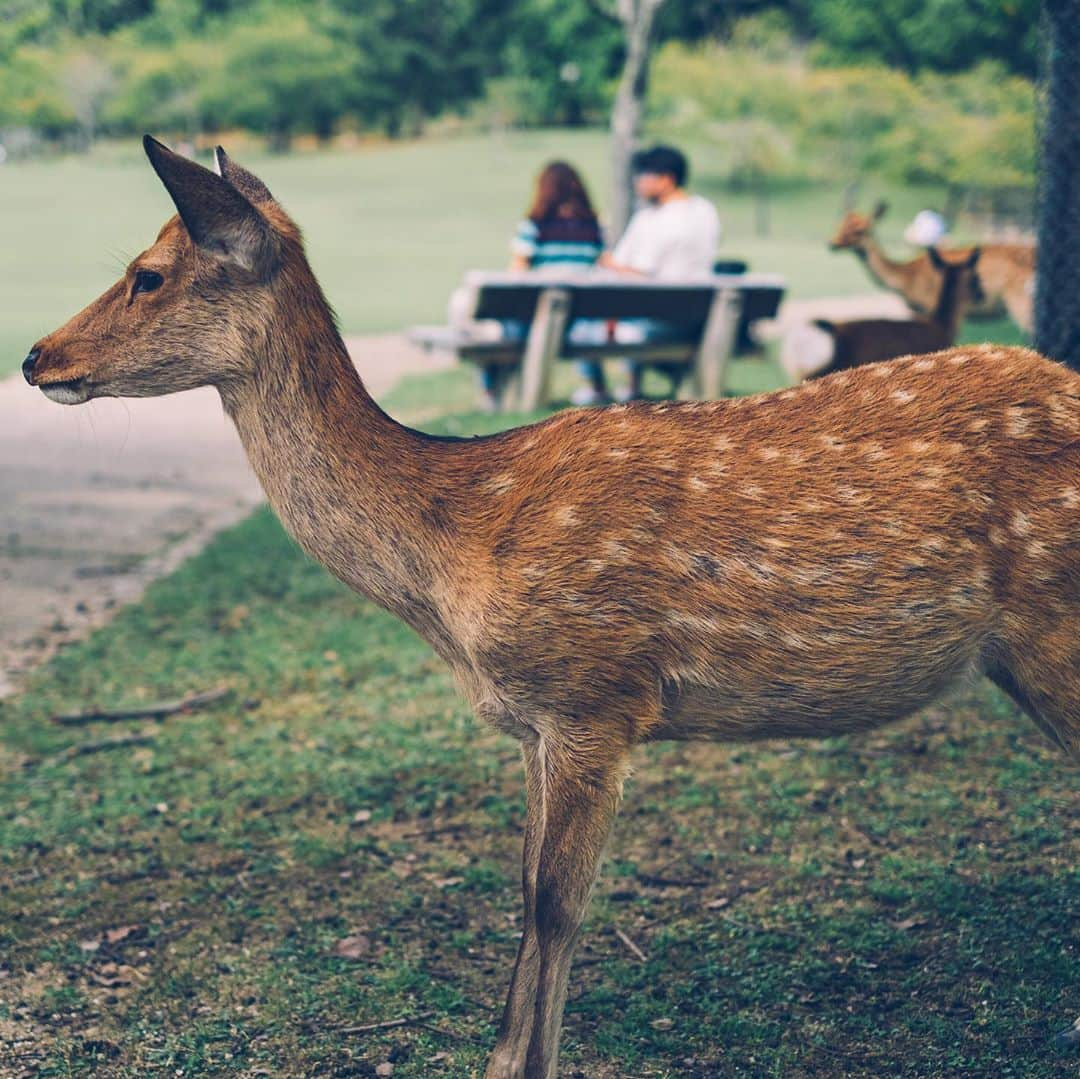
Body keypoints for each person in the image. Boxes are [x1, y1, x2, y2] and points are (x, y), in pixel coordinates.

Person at [473, 161, 605, 410]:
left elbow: (517, 270)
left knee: (496, 329)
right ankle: (597, 388)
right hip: (579, 321)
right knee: (582, 323)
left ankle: (490, 390)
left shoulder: (534, 227)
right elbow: (605, 263)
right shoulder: (594, 229)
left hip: (537, 317)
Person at [599, 144, 721, 400]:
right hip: (700, 316)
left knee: (586, 327)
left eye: (643, 176)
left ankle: (608, 389)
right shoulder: (705, 211)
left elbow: (637, 275)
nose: (638, 183)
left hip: (656, 322)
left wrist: (606, 261)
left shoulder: (650, 219)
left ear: (666, 179)